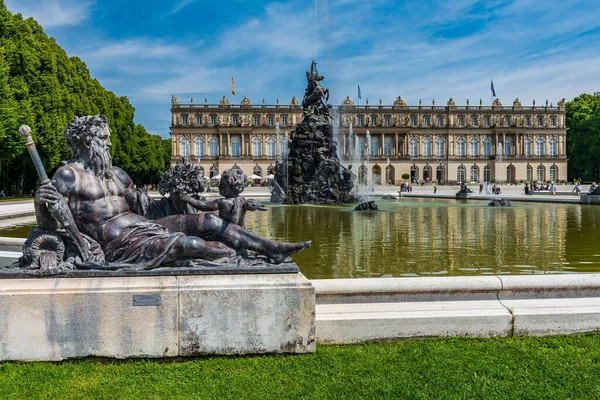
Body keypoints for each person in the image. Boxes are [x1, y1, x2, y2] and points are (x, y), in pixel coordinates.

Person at [35, 116, 310, 268]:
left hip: (144, 226)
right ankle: (233, 256)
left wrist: (179, 198)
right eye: (104, 139)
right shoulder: (69, 175)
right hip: (119, 243)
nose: (108, 144)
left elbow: (148, 208)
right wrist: (39, 204)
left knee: (212, 221)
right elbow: (49, 224)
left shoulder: (116, 173)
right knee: (187, 244)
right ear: (87, 140)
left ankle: (271, 249)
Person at [181, 168, 266, 228]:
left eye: (222, 185)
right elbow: (248, 205)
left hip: (227, 234)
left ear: (232, 187)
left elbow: (203, 206)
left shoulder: (223, 202)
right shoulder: (242, 199)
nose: (219, 186)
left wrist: (187, 198)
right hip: (241, 232)